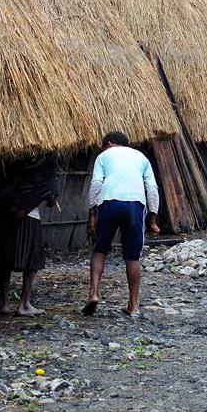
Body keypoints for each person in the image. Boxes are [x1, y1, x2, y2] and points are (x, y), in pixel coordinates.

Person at [84, 131, 160, 316]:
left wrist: (91, 214)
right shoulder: (141, 157)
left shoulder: (103, 156)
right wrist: (153, 219)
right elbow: (152, 188)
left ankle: (94, 294)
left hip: (109, 202)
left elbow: (96, 184)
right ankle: (133, 305)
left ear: (109, 144)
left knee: (100, 250)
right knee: (133, 257)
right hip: (135, 204)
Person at [0, 154, 60, 315]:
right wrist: (48, 197)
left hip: (3, 215)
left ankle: (4, 303)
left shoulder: (6, 161)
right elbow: (50, 199)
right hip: (29, 217)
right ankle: (24, 304)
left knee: (5, 259)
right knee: (33, 262)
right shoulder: (43, 163)